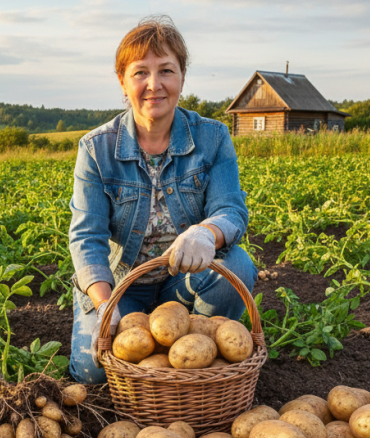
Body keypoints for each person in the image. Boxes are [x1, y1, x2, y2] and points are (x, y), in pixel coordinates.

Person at [68, 16, 257, 384]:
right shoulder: (96, 148)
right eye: (140, 73)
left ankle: (199, 362)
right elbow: (86, 238)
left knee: (237, 265)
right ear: (123, 82)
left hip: (182, 281)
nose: (154, 85)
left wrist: (206, 233)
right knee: (92, 374)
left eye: (166, 71)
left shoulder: (213, 138)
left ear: (182, 79)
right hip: (121, 285)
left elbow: (230, 208)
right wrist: (106, 306)